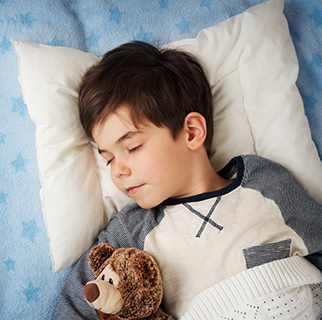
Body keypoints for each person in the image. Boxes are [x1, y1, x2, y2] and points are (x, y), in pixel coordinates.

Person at [54, 41, 322, 319]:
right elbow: (78, 303)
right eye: (109, 159)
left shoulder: (264, 185)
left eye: (132, 148)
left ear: (192, 132)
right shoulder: (133, 230)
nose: (117, 171)